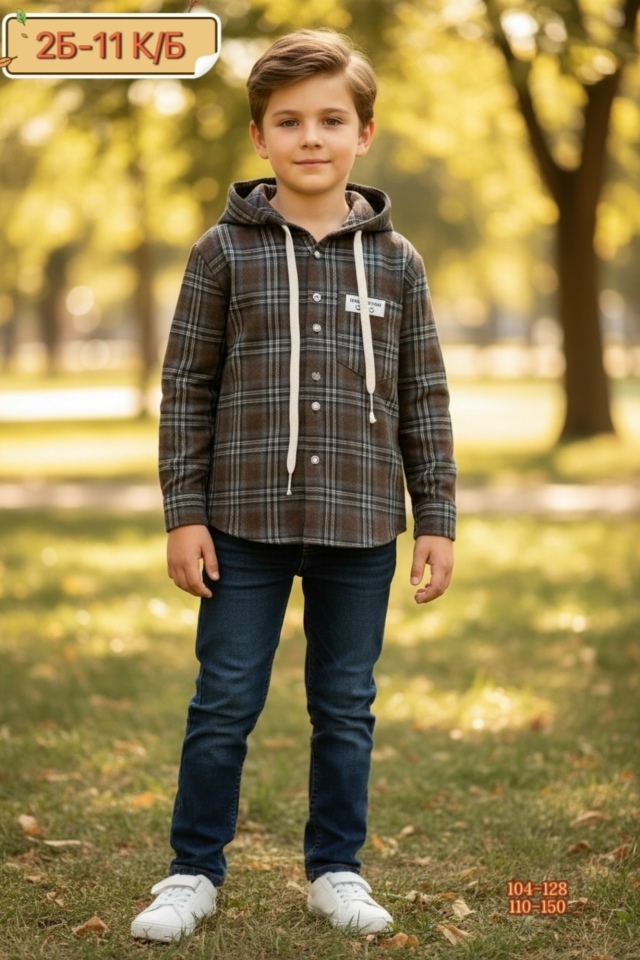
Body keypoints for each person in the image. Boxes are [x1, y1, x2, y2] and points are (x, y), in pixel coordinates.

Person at [131, 28, 456, 943]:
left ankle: (336, 868)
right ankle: (192, 871)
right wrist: (183, 515)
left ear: (364, 133)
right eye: (289, 121)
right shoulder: (220, 253)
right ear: (259, 136)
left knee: (345, 705)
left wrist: (436, 518)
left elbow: (424, 398)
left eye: (331, 120)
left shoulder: (398, 262)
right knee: (225, 700)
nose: (311, 137)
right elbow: (186, 389)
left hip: (362, 525)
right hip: (241, 523)